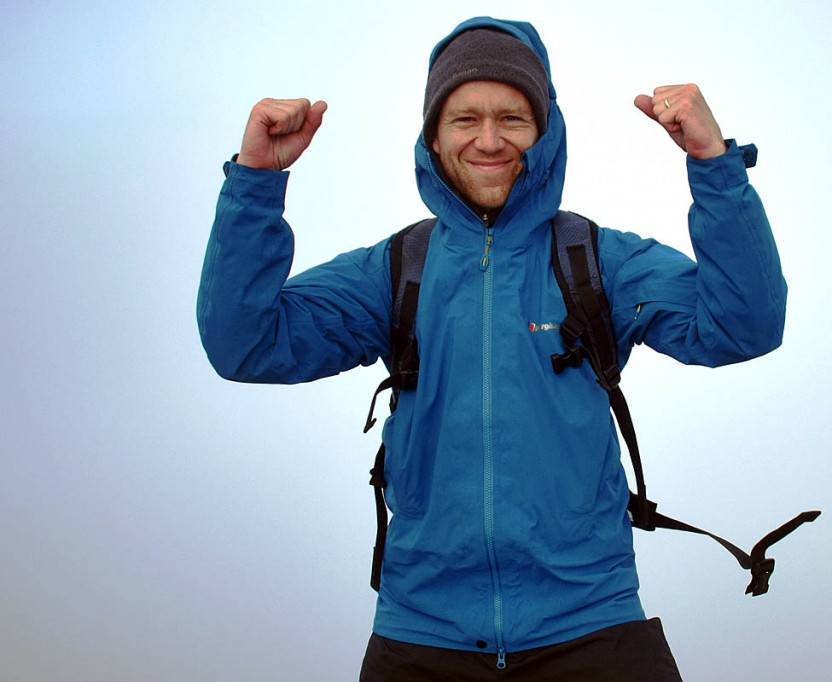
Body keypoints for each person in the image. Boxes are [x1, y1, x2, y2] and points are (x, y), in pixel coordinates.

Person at [198, 15, 786, 682]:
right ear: (433, 136)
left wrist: (713, 165)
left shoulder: (597, 262)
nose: (488, 139)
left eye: (511, 117)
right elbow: (244, 345)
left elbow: (745, 325)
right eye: (464, 118)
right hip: (420, 638)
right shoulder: (394, 271)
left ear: (544, 132)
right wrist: (254, 181)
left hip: (593, 630)